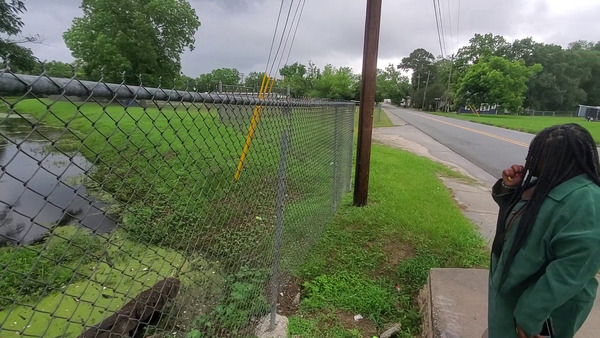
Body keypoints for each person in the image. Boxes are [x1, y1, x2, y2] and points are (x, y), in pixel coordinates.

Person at [488, 123, 600, 338]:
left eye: (538, 157)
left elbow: (572, 268)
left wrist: (530, 315)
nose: (531, 162)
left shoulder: (588, 201)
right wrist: (509, 188)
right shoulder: (546, 183)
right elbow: (517, 215)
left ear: (562, 160)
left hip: (541, 310)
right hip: (511, 290)